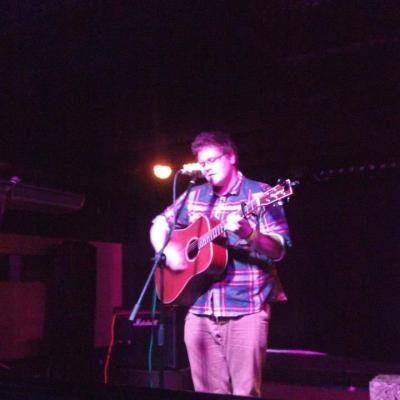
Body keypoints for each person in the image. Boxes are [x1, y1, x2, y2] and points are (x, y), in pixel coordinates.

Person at [150, 131, 291, 397]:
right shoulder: (195, 195)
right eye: (202, 163)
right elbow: (159, 223)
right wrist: (166, 250)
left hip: (245, 308)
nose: (207, 168)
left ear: (232, 157)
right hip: (199, 310)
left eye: (213, 160)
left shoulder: (260, 193)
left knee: (245, 393)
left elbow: (279, 250)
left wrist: (250, 234)